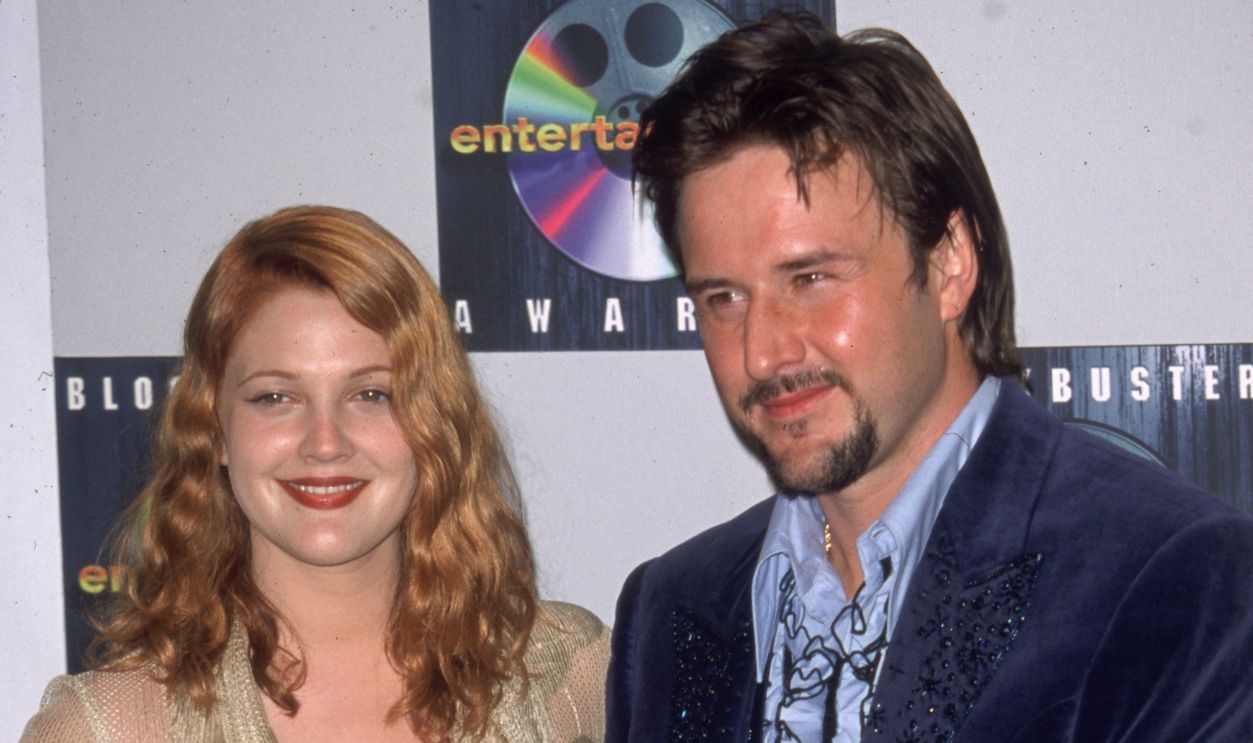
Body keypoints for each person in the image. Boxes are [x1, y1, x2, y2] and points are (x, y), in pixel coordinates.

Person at [607, 11, 1253, 742]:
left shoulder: (1173, 580)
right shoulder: (671, 607)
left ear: (948, 264)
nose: (762, 353)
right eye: (722, 297)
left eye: (811, 277)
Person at [22, 206, 608, 742]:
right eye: (275, 396)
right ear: (213, 427)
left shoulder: (569, 678)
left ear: (433, 418)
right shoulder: (106, 728)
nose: (325, 443)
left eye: (371, 393)